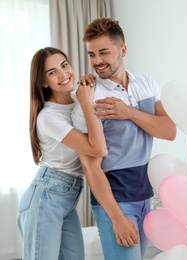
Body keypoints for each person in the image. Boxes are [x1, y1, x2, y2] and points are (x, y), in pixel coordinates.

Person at [71, 17, 177, 259]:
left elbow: (168, 131)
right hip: (116, 200)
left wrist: (128, 112)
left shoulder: (146, 84)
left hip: (144, 195)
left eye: (104, 52)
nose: (97, 61)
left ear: (123, 50)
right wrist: (116, 218)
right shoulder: (90, 97)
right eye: (91, 54)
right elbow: (90, 166)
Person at [17, 47, 108, 260]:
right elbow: (98, 149)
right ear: (43, 82)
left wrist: (87, 93)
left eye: (64, 65)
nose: (63, 74)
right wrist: (85, 101)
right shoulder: (48, 117)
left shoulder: (77, 103)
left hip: (66, 197)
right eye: (52, 72)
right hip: (46, 196)